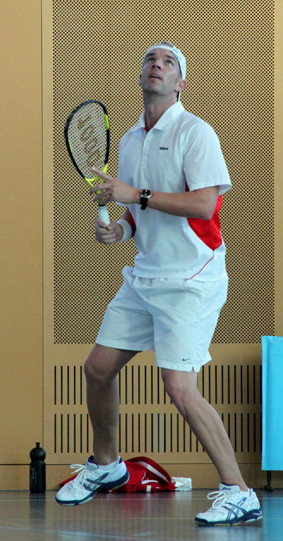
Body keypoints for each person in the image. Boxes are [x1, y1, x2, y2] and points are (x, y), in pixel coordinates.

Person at [56, 42, 262, 527]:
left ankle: (239, 491)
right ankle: (106, 466)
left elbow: (204, 206)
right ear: (142, 75)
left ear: (180, 83)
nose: (158, 66)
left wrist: (136, 196)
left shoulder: (196, 133)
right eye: (151, 60)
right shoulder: (128, 140)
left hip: (191, 278)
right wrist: (120, 229)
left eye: (169, 63)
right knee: (98, 369)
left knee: (179, 387)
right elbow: (134, 212)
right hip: (144, 276)